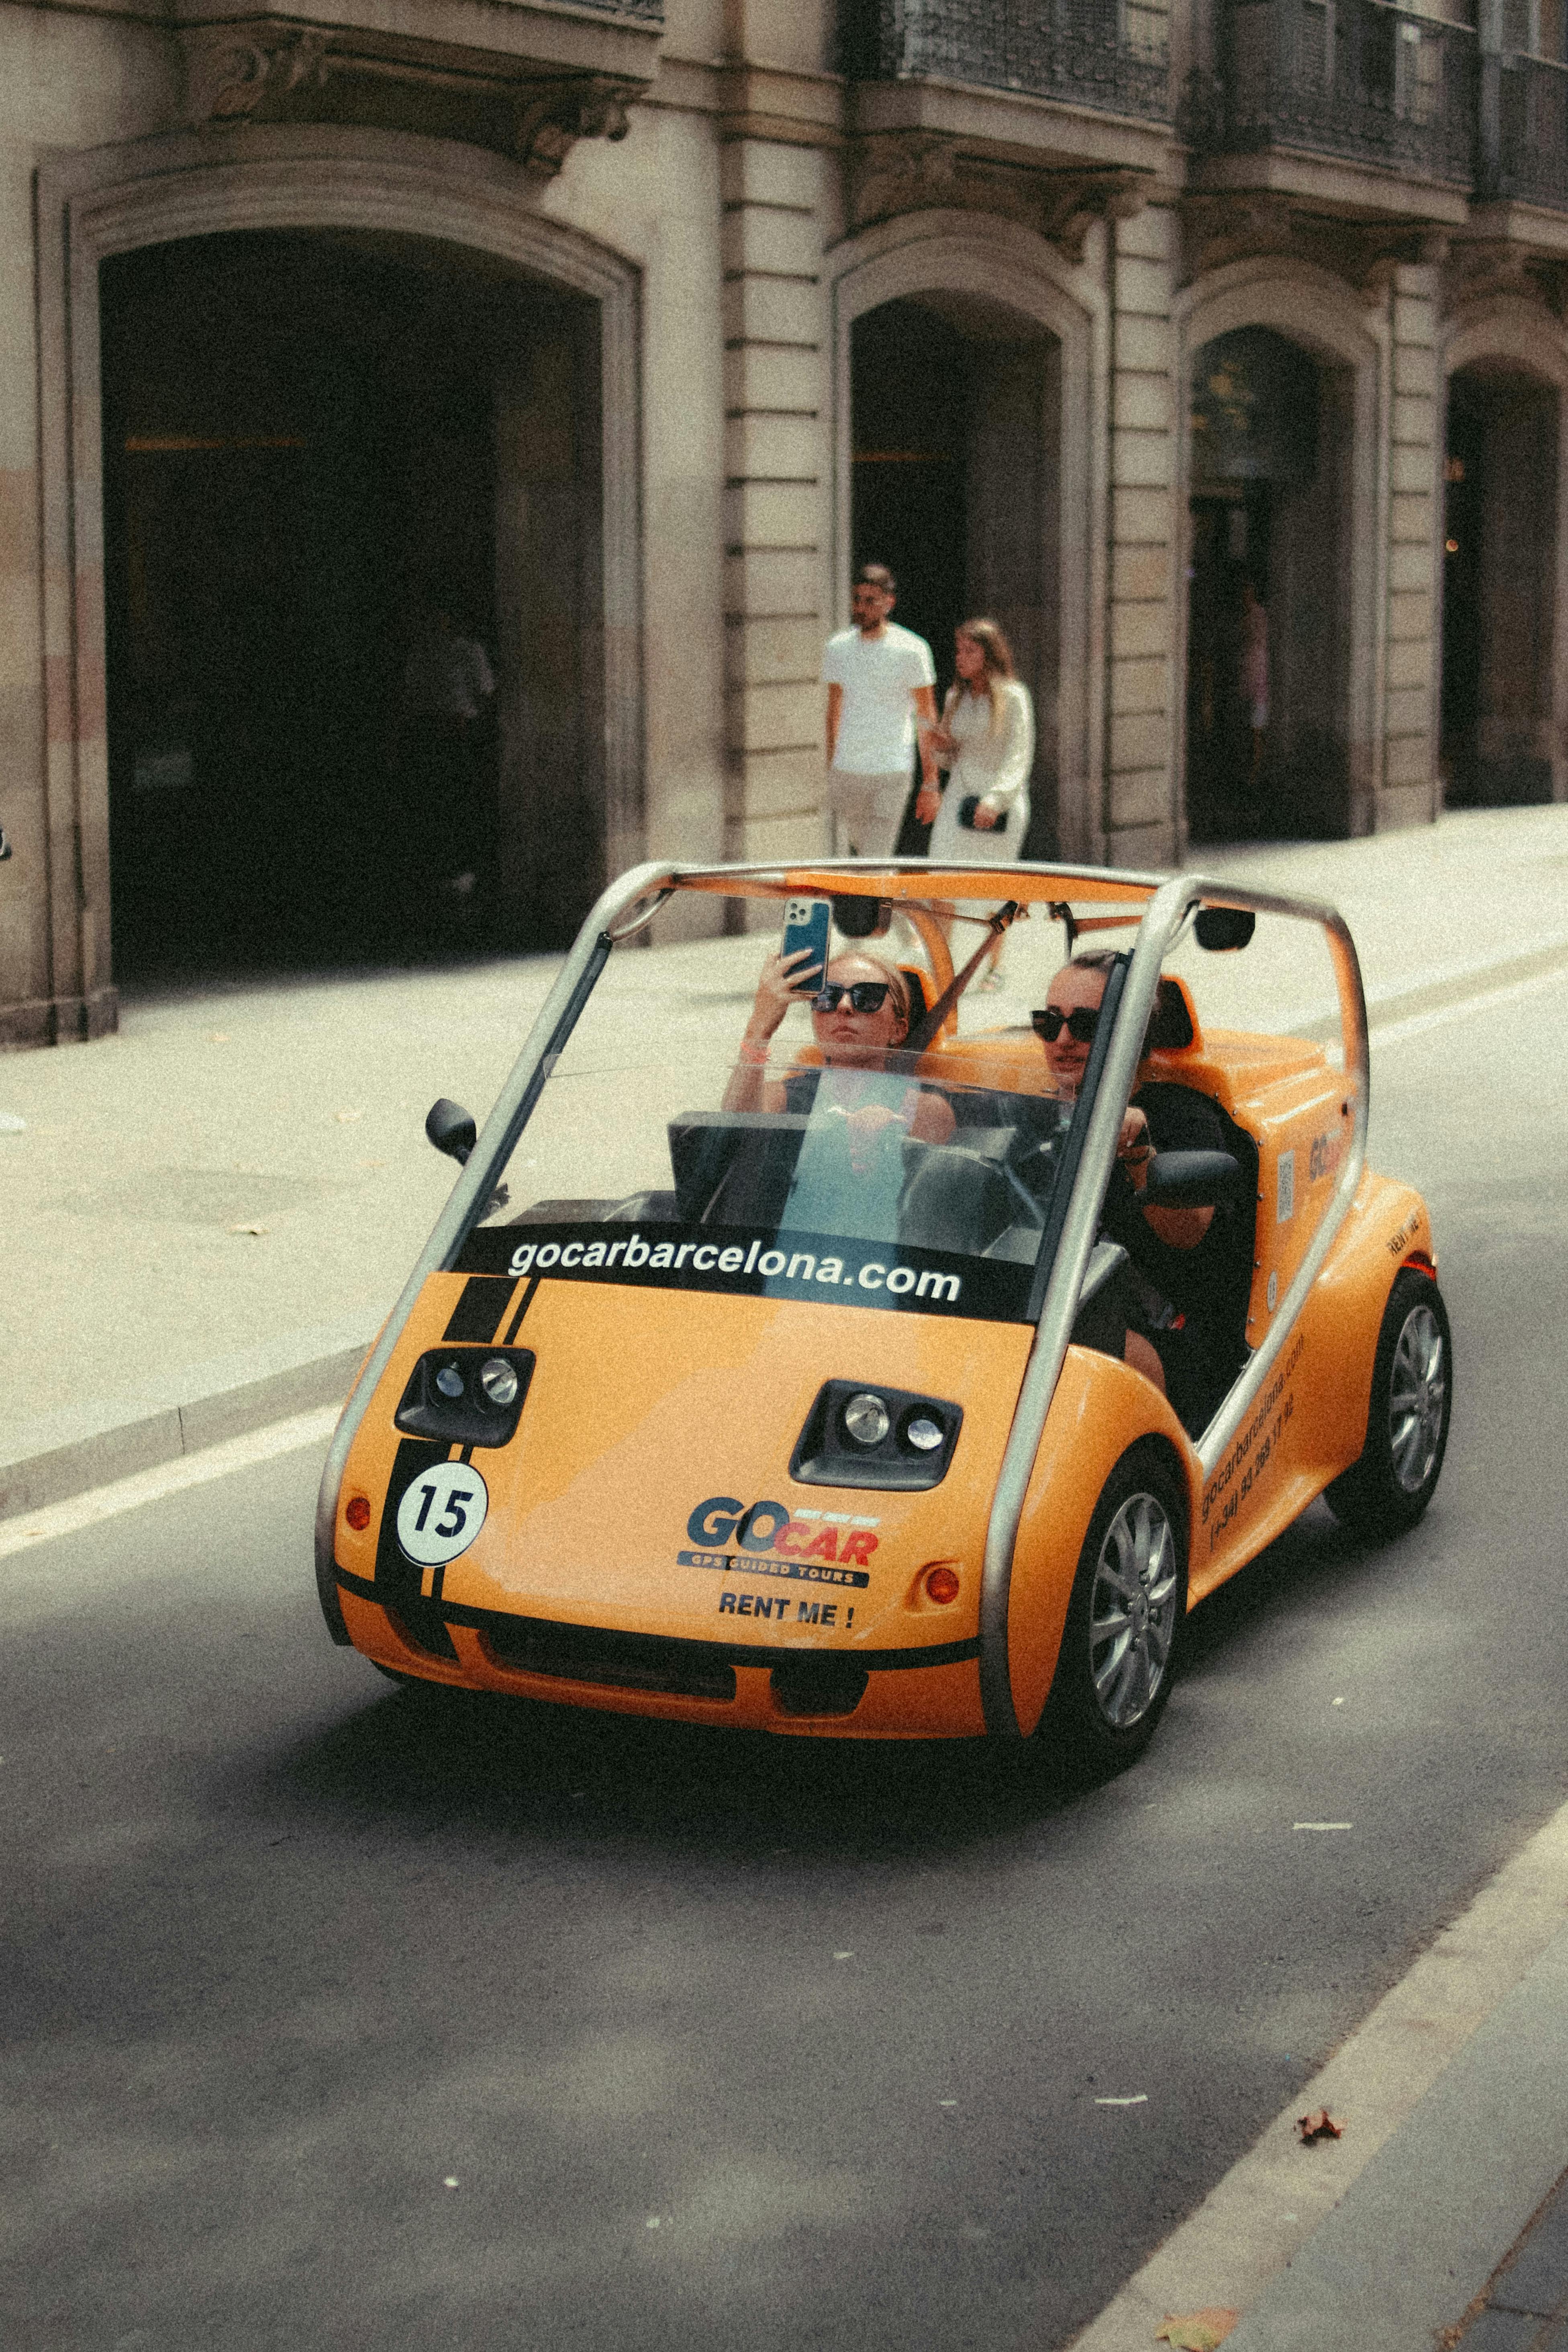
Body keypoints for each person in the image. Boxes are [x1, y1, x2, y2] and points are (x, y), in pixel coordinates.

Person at [1033, 951, 1244, 1427]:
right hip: (1051, 1315)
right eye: (1048, 1023)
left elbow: (1188, 1232)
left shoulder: (1179, 1115)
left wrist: (1137, 1153)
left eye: (1085, 1025)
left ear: (1132, 1033)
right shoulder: (1033, 1114)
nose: (1063, 1040)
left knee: (1070, 1348)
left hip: (1163, 1329)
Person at [920, 616, 1035, 989]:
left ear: (988, 655)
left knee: (994, 888)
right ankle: (942, 965)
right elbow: (955, 758)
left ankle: (994, 968)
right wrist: (941, 750)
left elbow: (1019, 753)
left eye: (970, 651)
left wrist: (997, 799)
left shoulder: (1014, 696)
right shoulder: (956, 698)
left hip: (1000, 804)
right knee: (941, 880)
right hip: (959, 801)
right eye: (958, 650)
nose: (960, 657)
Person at [821, 565, 938, 858]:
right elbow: (834, 712)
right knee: (863, 860)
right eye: (857, 599)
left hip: (892, 771)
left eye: (870, 601)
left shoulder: (912, 649)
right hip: (849, 772)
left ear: (889, 603)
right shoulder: (838, 648)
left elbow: (926, 717)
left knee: (874, 860)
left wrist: (931, 783)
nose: (861, 608)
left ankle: (879, 902)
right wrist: (833, 768)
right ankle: (886, 903)